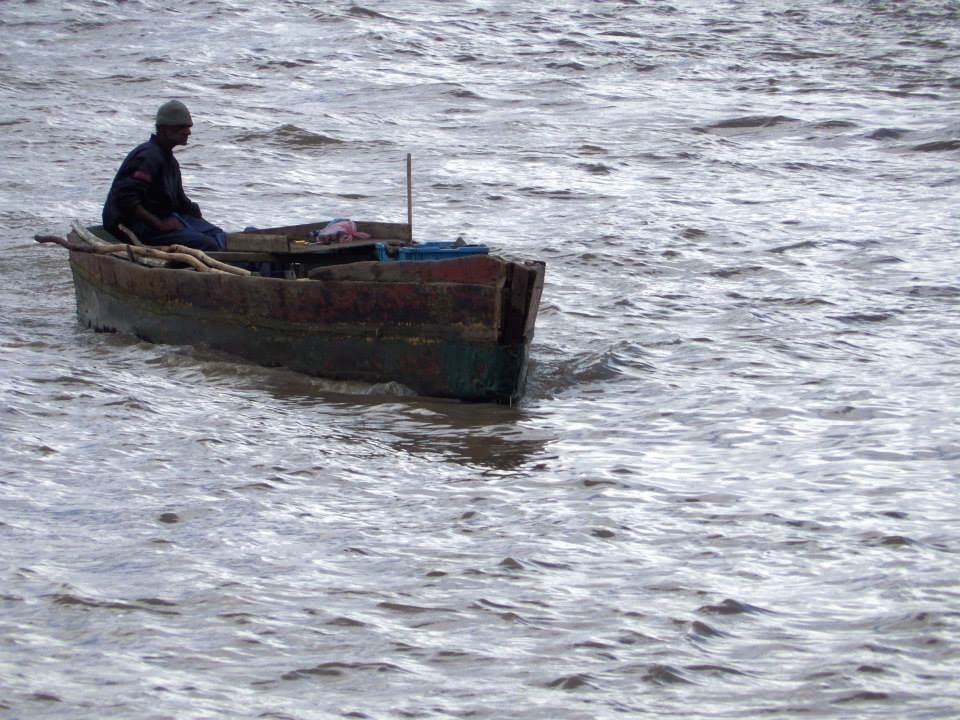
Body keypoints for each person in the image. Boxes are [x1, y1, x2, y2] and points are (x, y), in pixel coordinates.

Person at [102, 100, 225, 251]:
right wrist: (159, 225)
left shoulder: (169, 161)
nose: (188, 132)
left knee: (218, 235)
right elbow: (126, 198)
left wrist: (196, 215)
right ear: (165, 130)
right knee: (206, 244)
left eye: (188, 127)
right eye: (181, 127)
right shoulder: (148, 157)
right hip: (133, 225)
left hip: (161, 217)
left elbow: (180, 202)